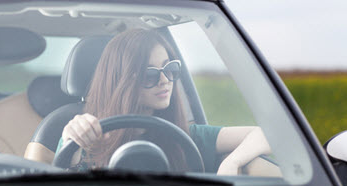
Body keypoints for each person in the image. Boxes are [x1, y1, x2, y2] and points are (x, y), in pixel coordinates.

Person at [55, 28, 271, 175]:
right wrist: (72, 138)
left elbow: (269, 134)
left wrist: (233, 161)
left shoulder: (187, 136)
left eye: (170, 69)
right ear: (123, 81)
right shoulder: (88, 136)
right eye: (150, 74)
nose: (165, 80)